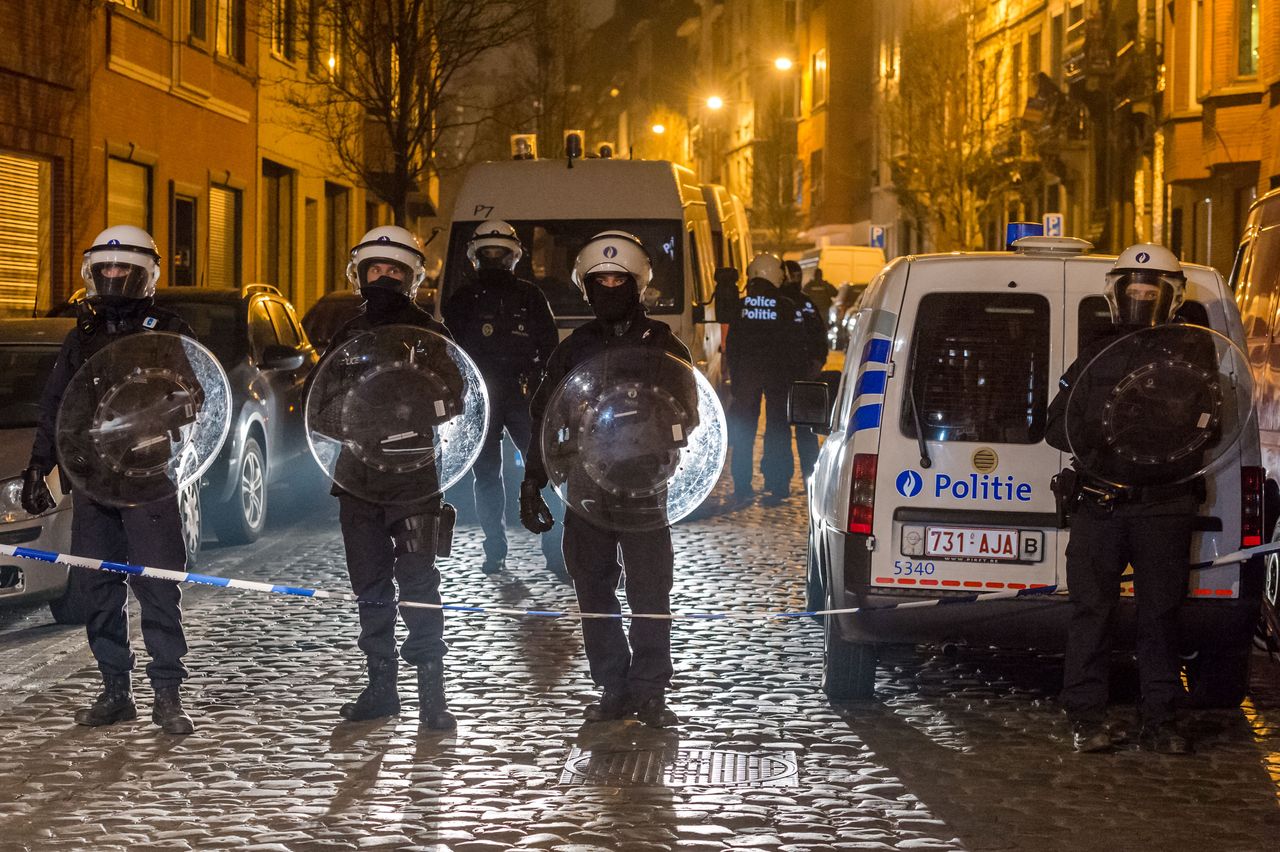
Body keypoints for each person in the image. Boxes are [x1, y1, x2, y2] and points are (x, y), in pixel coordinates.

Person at [21, 225, 198, 735]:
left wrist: (146, 420)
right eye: (107, 269)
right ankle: (115, 691)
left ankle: (167, 694)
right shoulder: (82, 335)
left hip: (146, 479)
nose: (114, 276)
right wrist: (40, 466)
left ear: (145, 274)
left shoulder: (166, 330)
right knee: (98, 588)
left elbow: (192, 396)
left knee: (159, 587)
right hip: (93, 483)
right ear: (94, 273)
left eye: (125, 269)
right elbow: (58, 406)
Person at [519, 231, 694, 728]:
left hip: (644, 486)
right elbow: (546, 419)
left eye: (620, 279)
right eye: (601, 280)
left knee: (649, 589)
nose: (610, 287)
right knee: (592, 588)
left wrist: (645, 429)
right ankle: (613, 685)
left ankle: (651, 688)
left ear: (637, 284)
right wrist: (532, 479)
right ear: (587, 287)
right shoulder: (573, 349)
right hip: (586, 489)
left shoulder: (662, 345)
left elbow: (690, 412)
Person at [1046, 243, 1206, 755]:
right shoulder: (1096, 351)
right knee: (1091, 611)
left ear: (1171, 296)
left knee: (1161, 614)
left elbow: (1211, 428)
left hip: (1165, 504)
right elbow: (1054, 425)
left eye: (1150, 289)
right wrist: (1098, 434)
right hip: (1101, 502)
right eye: (1131, 288)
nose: (1140, 297)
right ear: (1114, 292)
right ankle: (1085, 717)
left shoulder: (1193, 353)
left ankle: (1161, 720)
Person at [317, 225, 465, 729]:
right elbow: (321, 403)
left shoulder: (431, 335)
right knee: (370, 587)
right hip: (357, 479)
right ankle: (380, 687)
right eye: (375, 269)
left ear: (411, 277)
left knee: (420, 582)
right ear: (360, 273)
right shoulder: (347, 335)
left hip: (414, 478)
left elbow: (455, 397)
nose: (383, 277)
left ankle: (432, 695)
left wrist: (406, 401)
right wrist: (356, 416)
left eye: (394, 270)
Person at [443, 220, 563, 578]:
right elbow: (450, 351)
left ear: (513, 257)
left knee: (542, 471)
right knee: (488, 477)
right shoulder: (464, 299)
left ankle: (552, 549)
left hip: (522, 395)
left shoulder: (529, 296)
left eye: (500, 253)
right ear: (476, 257)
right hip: (482, 398)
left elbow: (550, 348)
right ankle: (495, 547)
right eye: (488, 253)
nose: (494, 260)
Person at [725, 252, 806, 505]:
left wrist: (735, 378)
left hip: (747, 376)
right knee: (778, 429)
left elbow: (732, 345)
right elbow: (796, 344)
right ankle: (778, 482)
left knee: (744, 431)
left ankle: (742, 483)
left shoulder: (740, 307)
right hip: (778, 376)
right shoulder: (786, 306)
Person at [782, 260, 830, 482]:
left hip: (786, 374)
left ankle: (782, 479)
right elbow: (820, 336)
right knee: (804, 428)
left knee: (782, 428)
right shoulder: (804, 303)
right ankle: (809, 474)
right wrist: (817, 362)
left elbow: (819, 336)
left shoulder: (790, 302)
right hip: (800, 373)